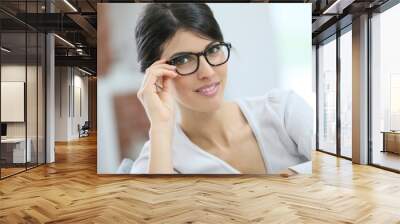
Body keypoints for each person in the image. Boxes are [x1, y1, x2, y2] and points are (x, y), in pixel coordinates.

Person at [117, 3, 313, 175]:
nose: (208, 72)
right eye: (183, 59)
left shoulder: (282, 111)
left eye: (213, 50)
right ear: (156, 75)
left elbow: (338, 169)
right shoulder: (157, 160)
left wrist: (288, 177)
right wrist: (160, 126)